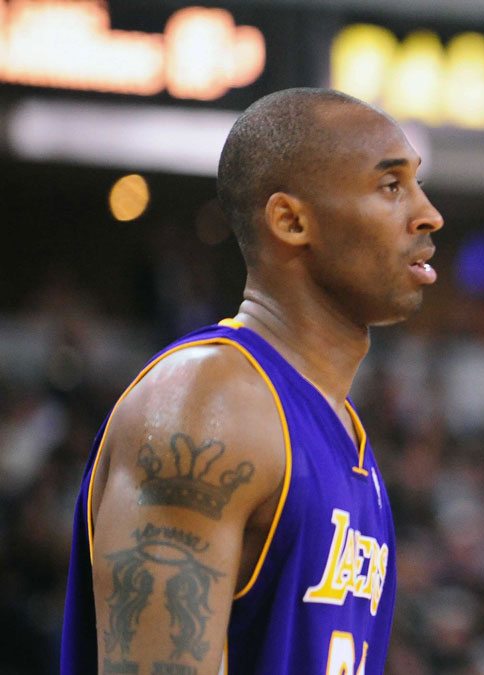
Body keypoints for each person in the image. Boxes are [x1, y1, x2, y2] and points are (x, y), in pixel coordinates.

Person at [61, 87, 444, 674]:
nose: (428, 213)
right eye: (390, 187)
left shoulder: (342, 431)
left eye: (416, 184)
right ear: (291, 221)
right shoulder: (207, 406)